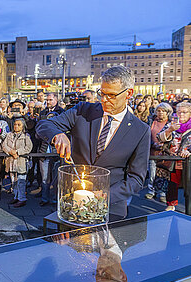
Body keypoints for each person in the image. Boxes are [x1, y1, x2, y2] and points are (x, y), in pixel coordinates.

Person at [36, 65, 151, 220]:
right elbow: (44, 125)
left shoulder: (140, 130)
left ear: (128, 93)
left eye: (111, 95)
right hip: (72, 201)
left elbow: (136, 178)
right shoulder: (84, 111)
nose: (103, 100)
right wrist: (57, 135)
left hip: (110, 206)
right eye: (101, 93)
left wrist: (106, 194)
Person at [157, 102, 191, 211]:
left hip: (188, 162)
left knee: (189, 186)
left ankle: (189, 207)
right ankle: (171, 204)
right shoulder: (171, 124)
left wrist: (189, 151)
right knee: (172, 184)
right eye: (179, 112)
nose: (181, 115)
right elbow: (159, 138)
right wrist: (169, 130)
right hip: (172, 161)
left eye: (184, 112)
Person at [145, 103, 172, 202]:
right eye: (159, 110)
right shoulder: (151, 121)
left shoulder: (170, 123)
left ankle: (162, 192)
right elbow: (146, 135)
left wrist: (164, 146)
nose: (161, 113)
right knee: (152, 172)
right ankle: (151, 190)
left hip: (164, 152)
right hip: (152, 150)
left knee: (163, 173)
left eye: (163, 111)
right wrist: (153, 144)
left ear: (167, 112)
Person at [2, 118, 33, 207]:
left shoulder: (26, 136)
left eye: (19, 125)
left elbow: (28, 147)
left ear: (23, 126)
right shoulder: (9, 135)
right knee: (13, 180)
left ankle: (22, 198)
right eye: (15, 124)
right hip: (11, 161)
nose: (16, 126)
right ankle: (16, 196)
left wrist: (17, 152)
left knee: (21, 181)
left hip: (21, 161)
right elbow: (4, 145)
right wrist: (11, 151)